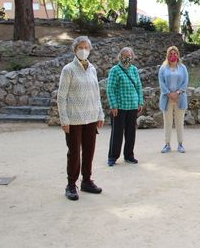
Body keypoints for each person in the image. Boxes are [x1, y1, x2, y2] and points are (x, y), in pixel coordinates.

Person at [57, 36, 104, 201]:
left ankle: (87, 180)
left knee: (89, 151)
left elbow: (96, 94)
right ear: (75, 49)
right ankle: (71, 185)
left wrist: (100, 114)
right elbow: (61, 97)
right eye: (81, 47)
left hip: (91, 117)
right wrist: (64, 120)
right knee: (75, 153)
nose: (84, 50)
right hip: (74, 118)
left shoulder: (92, 69)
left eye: (86, 47)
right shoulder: (68, 69)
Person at [106, 47, 144, 166]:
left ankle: (129, 155)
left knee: (131, 132)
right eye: (124, 55)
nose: (126, 57)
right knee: (117, 133)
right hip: (120, 106)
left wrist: (140, 102)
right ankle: (112, 156)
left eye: (129, 55)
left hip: (132, 106)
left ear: (132, 56)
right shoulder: (115, 70)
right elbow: (110, 89)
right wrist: (113, 105)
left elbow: (138, 87)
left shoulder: (134, 70)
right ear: (120, 56)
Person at [158, 46, 189, 153]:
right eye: (170, 53)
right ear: (167, 55)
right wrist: (169, 94)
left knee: (180, 122)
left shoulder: (183, 68)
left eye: (174, 53)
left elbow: (185, 82)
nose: (173, 55)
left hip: (180, 98)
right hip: (167, 98)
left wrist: (178, 92)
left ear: (178, 54)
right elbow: (161, 82)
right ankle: (167, 144)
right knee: (167, 122)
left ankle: (180, 144)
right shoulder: (163, 68)